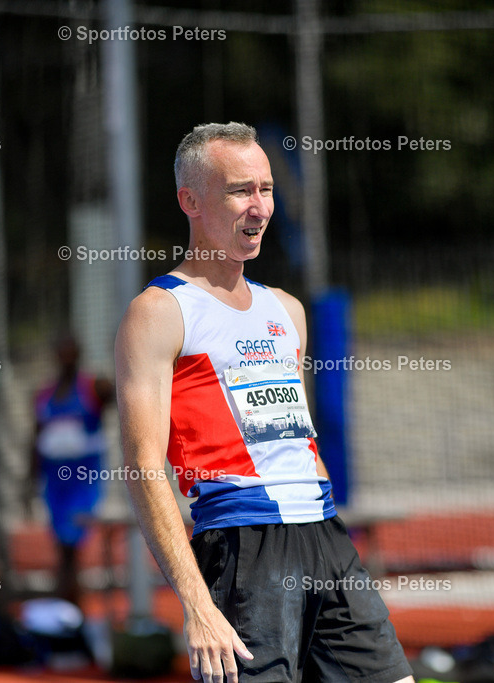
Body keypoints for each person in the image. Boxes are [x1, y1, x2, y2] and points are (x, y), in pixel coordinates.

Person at [114, 122, 414, 683]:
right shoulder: (159, 311)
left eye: (267, 189)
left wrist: (329, 529)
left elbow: (297, 437)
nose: (260, 207)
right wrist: (198, 605)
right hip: (241, 545)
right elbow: (143, 466)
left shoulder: (287, 309)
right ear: (191, 201)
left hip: (324, 535)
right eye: (240, 191)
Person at [29, 335, 114, 605]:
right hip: (54, 477)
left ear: (78, 355)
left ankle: (70, 601)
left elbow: (115, 393)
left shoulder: (92, 388)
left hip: (82, 476)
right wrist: (29, 477)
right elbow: (36, 436)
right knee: (61, 540)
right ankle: (66, 598)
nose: (66, 359)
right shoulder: (45, 393)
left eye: (71, 354)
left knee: (72, 541)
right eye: (61, 354)